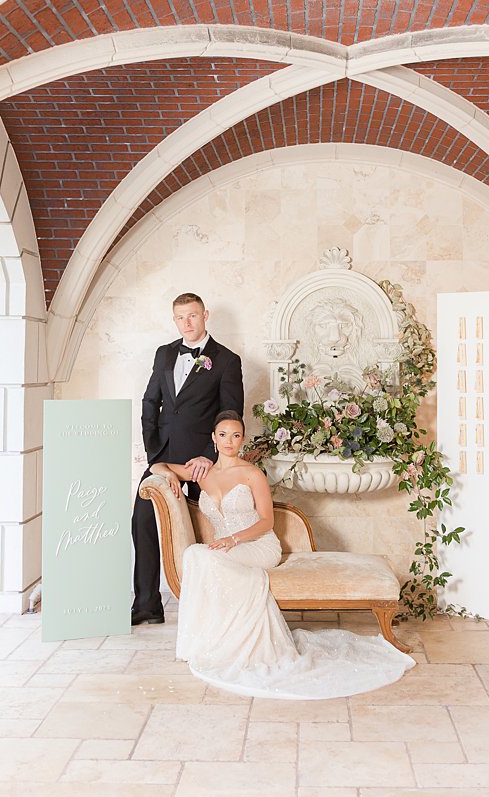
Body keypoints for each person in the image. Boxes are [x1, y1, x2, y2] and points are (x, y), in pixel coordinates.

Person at [150, 411, 416, 699]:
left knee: (201, 557)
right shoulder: (202, 472)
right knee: (195, 556)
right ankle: (211, 642)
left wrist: (233, 539)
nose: (229, 441)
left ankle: (237, 643)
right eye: (223, 435)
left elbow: (267, 521)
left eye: (236, 435)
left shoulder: (252, 474)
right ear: (213, 439)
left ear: (243, 440)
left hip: (258, 545)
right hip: (227, 548)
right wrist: (167, 473)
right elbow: (156, 465)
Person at [131, 292, 244, 626]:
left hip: (202, 461)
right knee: (142, 522)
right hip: (164, 457)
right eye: (180, 317)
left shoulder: (226, 360)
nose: (187, 323)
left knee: (207, 527)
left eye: (192, 316)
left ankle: (209, 605)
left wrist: (210, 457)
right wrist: (155, 457)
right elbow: (150, 403)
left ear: (205, 315)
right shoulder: (165, 353)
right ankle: (147, 605)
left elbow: (230, 415)